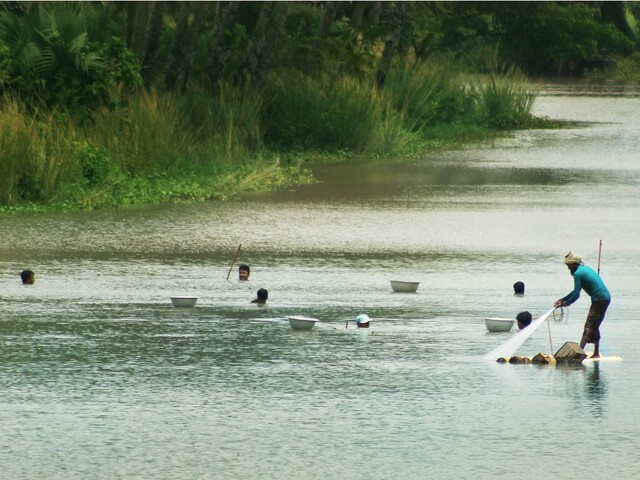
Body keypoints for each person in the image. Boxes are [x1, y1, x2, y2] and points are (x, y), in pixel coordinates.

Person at [554, 251, 611, 358]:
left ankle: (578, 354)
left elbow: (576, 295)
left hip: (600, 299)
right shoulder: (584, 269)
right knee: (595, 325)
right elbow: (575, 291)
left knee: (589, 325)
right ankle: (596, 353)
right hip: (603, 298)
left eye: (569, 265)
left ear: (574, 264)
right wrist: (562, 300)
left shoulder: (577, 274)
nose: (568, 268)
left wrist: (565, 304)